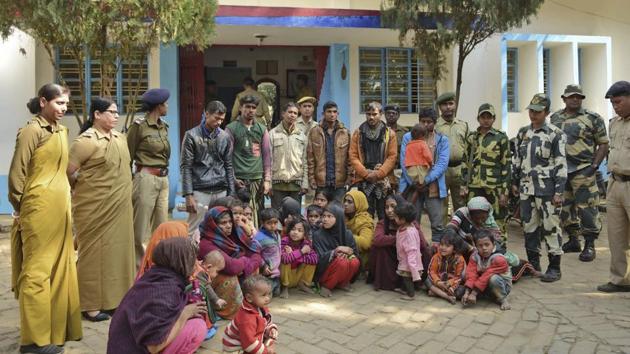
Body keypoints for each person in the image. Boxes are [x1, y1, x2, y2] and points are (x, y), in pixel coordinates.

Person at [9, 84, 82, 354]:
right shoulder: (31, 131)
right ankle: (33, 341)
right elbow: (17, 175)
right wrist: (24, 206)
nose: (63, 108)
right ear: (43, 102)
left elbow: (62, 172)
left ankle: (56, 331)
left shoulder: (62, 131)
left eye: (65, 104)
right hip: (39, 210)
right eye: (58, 103)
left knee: (61, 270)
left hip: (61, 210)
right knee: (36, 274)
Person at [67, 97, 135, 322]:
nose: (116, 116)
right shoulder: (85, 141)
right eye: (111, 112)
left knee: (119, 254)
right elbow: (69, 171)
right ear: (97, 114)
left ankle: (116, 300)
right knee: (93, 256)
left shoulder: (120, 138)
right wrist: (83, 189)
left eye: (117, 112)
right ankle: (90, 305)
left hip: (120, 208)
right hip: (94, 209)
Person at [107, 238, 207, 354]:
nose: (197, 263)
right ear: (180, 261)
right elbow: (153, 346)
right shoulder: (164, 291)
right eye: (192, 258)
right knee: (196, 327)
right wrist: (184, 314)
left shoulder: (157, 276)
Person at [512, 93, 567, 283]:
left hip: (547, 191)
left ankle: (554, 267)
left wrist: (559, 191)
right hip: (526, 190)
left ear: (547, 112)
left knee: (551, 227)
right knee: (529, 227)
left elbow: (561, 164)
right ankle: (534, 265)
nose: (533, 115)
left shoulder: (555, 134)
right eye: (531, 111)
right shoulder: (522, 133)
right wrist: (514, 182)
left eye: (538, 111)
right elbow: (517, 160)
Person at [550, 84, 609, 262]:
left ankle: (590, 245)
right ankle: (573, 240)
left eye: (578, 97)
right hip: (562, 172)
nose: (575, 99)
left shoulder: (592, 118)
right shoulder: (555, 118)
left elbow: (603, 144)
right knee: (565, 208)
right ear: (564, 98)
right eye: (571, 96)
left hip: (584, 169)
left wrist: (594, 165)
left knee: (588, 209)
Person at [127, 88, 171, 268]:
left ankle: (157, 265)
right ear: (158, 106)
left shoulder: (164, 127)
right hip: (145, 178)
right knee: (140, 228)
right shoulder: (138, 127)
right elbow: (128, 155)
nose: (167, 106)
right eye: (165, 103)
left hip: (163, 179)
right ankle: (139, 267)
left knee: (161, 227)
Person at [180, 100, 236, 238]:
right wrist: (188, 195)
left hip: (221, 190)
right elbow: (186, 166)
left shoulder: (225, 137)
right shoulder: (191, 135)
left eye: (222, 120)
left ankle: (217, 258)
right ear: (206, 114)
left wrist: (231, 193)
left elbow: (228, 165)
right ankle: (191, 258)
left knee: (221, 228)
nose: (219, 122)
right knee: (193, 230)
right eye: (216, 118)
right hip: (200, 190)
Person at [198, 207, 263, 319]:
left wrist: (245, 263)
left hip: (234, 271)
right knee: (230, 278)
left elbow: (255, 252)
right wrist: (245, 261)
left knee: (252, 268)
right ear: (213, 225)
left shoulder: (231, 237)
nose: (229, 225)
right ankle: (224, 309)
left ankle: (249, 301)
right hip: (208, 283)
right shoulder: (206, 244)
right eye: (223, 223)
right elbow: (232, 267)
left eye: (230, 222)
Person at [597, 81, 630, 293]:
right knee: (616, 236)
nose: (615, 106)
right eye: (612, 103)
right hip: (615, 183)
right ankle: (620, 280)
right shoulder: (615, 123)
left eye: (618, 102)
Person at [400, 107, 450, 244]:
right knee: (412, 222)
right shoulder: (408, 137)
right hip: (412, 185)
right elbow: (404, 162)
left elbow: (442, 164)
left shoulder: (442, 140)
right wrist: (415, 181)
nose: (426, 125)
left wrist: (425, 180)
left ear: (435, 122)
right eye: (423, 121)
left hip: (433, 187)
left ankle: (436, 251)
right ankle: (415, 250)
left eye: (429, 122)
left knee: (437, 223)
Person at [460, 103, 511, 238]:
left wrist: (505, 192)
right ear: (478, 118)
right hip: (474, 185)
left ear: (493, 119)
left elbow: (506, 164)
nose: (486, 120)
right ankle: (477, 248)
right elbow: (465, 163)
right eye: (483, 117)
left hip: (495, 186)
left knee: (498, 218)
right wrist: (463, 185)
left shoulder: (501, 137)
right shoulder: (472, 138)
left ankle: (500, 247)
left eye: (489, 117)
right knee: (474, 218)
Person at [226, 95, 272, 228]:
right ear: (240, 108)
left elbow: (267, 155)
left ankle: (254, 244)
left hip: (257, 180)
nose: (251, 110)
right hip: (238, 180)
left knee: (256, 214)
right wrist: (233, 178)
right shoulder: (231, 128)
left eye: (253, 107)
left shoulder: (262, 129)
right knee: (237, 214)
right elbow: (227, 157)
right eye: (247, 107)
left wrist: (267, 180)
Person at [368, 194, 430, 292]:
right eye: (386, 207)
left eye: (393, 206)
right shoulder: (383, 223)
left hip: (409, 258)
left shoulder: (411, 223)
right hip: (393, 258)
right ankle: (387, 283)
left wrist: (404, 240)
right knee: (378, 248)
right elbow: (377, 239)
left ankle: (417, 282)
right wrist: (399, 239)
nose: (389, 210)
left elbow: (422, 243)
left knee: (425, 251)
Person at [349, 101, 397, 218]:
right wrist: (366, 174)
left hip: (383, 179)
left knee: (384, 214)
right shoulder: (358, 133)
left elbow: (392, 156)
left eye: (374, 114)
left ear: (381, 114)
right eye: (368, 114)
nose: (371, 117)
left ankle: (383, 236)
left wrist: (379, 173)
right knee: (365, 214)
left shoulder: (389, 133)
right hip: (364, 178)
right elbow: (353, 156)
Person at [312, 202, 361, 297]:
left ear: (338, 218)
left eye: (330, 216)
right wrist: (335, 251)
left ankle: (342, 283)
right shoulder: (318, 235)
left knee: (354, 261)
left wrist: (348, 254)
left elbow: (355, 253)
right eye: (324, 216)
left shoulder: (347, 234)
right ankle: (326, 286)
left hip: (342, 267)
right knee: (341, 262)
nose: (325, 219)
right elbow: (318, 259)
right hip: (324, 273)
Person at [307, 101, 352, 203]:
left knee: (338, 213)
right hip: (321, 182)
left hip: (340, 183)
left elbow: (350, 158)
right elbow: (310, 158)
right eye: (329, 112)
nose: (332, 114)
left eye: (334, 112)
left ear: (338, 114)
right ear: (323, 114)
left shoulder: (345, 133)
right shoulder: (315, 132)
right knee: (320, 212)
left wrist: (350, 178)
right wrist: (311, 178)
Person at [435, 92, 469, 223]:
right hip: (442, 171)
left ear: (455, 105)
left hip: (459, 170)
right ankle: (443, 238)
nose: (448, 107)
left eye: (451, 103)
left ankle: (460, 236)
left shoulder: (463, 125)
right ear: (440, 107)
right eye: (444, 104)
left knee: (461, 207)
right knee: (441, 207)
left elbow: (468, 149)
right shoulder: (436, 126)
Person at [222, 275, 279, 354]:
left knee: (269, 341)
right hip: (236, 348)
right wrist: (266, 351)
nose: (267, 298)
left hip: (249, 340)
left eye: (269, 294)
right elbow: (249, 343)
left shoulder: (261, 308)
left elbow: (266, 322)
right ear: (249, 298)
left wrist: (270, 329)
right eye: (263, 295)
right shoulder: (247, 319)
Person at [268, 102, 309, 209]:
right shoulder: (273, 134)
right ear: (283, 114)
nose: (292, 115)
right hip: (277, 184)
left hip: (296, 184)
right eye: (290, 112)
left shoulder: (301, 136)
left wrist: (305, 183)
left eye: (295, 113)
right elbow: (268, 161)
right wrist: (268, 183)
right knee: (277, 217)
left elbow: (305, 161)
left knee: (294, 219)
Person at [462, 230, 512, 311]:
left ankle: (503, 300)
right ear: (476, 246)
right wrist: (467, 293)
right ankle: (481, 295)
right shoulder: (474, 256)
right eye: (480, 246)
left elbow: (487, 275)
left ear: (493, 245)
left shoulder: (499, 259)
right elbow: (471, 274)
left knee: (493, 278)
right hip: (483, 284)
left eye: (487, 245)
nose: (484, 248)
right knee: (465, 274)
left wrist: (474, 293)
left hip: (502, 285)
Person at [280, 218, 319, 298]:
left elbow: (315, 259)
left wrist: (294, 255)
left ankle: (303, 284)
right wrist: (301, 252)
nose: (295, 232)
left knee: (311, 262)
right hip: (287, 277)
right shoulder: (284, 241)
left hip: (297, 277)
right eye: (293, 229)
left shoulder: (306, 244)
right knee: (285, 261)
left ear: (305, 234)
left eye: (300, 230)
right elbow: (285, 259)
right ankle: (285, 287)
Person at [425, 229, 467, 304]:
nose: (443, 247)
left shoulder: (460, 259)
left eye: (447, 246)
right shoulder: (436, 256)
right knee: (427, 280)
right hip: (439, 282)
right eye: (441, 244)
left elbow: (459, 277)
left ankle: (437, 293)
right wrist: (438, 282)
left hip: (451, 284)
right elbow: (431, 272)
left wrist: (450, 285)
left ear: (454, 248)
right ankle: (447, 297)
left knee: (461, 291)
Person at [190, 250, 227, 329]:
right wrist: (216, 300)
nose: (217, 275)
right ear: (209, 267)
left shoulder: (199, 266)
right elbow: (207, 287)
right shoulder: (201, 273)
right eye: (217, 271)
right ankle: (206, 326)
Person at [394, 202, 423, 300]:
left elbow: (411, 250)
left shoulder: (409, 233)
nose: (395, 219)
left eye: (396, 217)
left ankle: (411, 295)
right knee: (404, 276)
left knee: (407, 278)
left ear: (403, 219)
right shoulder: (405, 227)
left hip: (410, 262)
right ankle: (403, 289)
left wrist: (412, 266)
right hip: (404, 260)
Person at [343, 190, 375, 270]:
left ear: (359, 204)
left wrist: (345, 235)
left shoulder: (364, 220)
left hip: (360, 258)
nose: (345, 204)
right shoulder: (344, 217)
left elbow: (366, 243)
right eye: (345, 201)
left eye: (350, 202)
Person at [296, 96, 319, 205]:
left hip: (312, 168)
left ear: (313, 108)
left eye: (310, 106)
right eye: (304, 106)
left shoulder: (317, 126)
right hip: (297, 166)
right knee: (296, 201)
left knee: (311, 202)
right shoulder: (293, 124)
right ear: (299, 109)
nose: (307, 109)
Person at [254, 208, 282, 296]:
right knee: (267, 295)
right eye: (269, 223)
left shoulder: (276, 234)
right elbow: (256, 254)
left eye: (275, 222)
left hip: (276, 272)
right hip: (267, 273)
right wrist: (264, 265)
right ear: (262, 222)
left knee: (276, 293)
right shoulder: (259, 237)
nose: (273, 225)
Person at [404, 123, 434, 205]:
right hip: (420, 168)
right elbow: (427, 156)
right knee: (420, 187)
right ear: (423, 135)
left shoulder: (408, 145)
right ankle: (411, 204)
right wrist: (431, 163)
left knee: (415, 186)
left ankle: (407, 200)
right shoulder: (422, 144)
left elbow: (406, 157)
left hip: (410, 169)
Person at [384, 104, 410, 191]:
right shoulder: (380, 131)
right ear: (384, 115)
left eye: (394, 113)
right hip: (385, 169)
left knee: (401, 196)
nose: (391, 115)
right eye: (388, 113)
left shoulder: (405, 132)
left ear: (398, 115)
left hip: (400, 169)